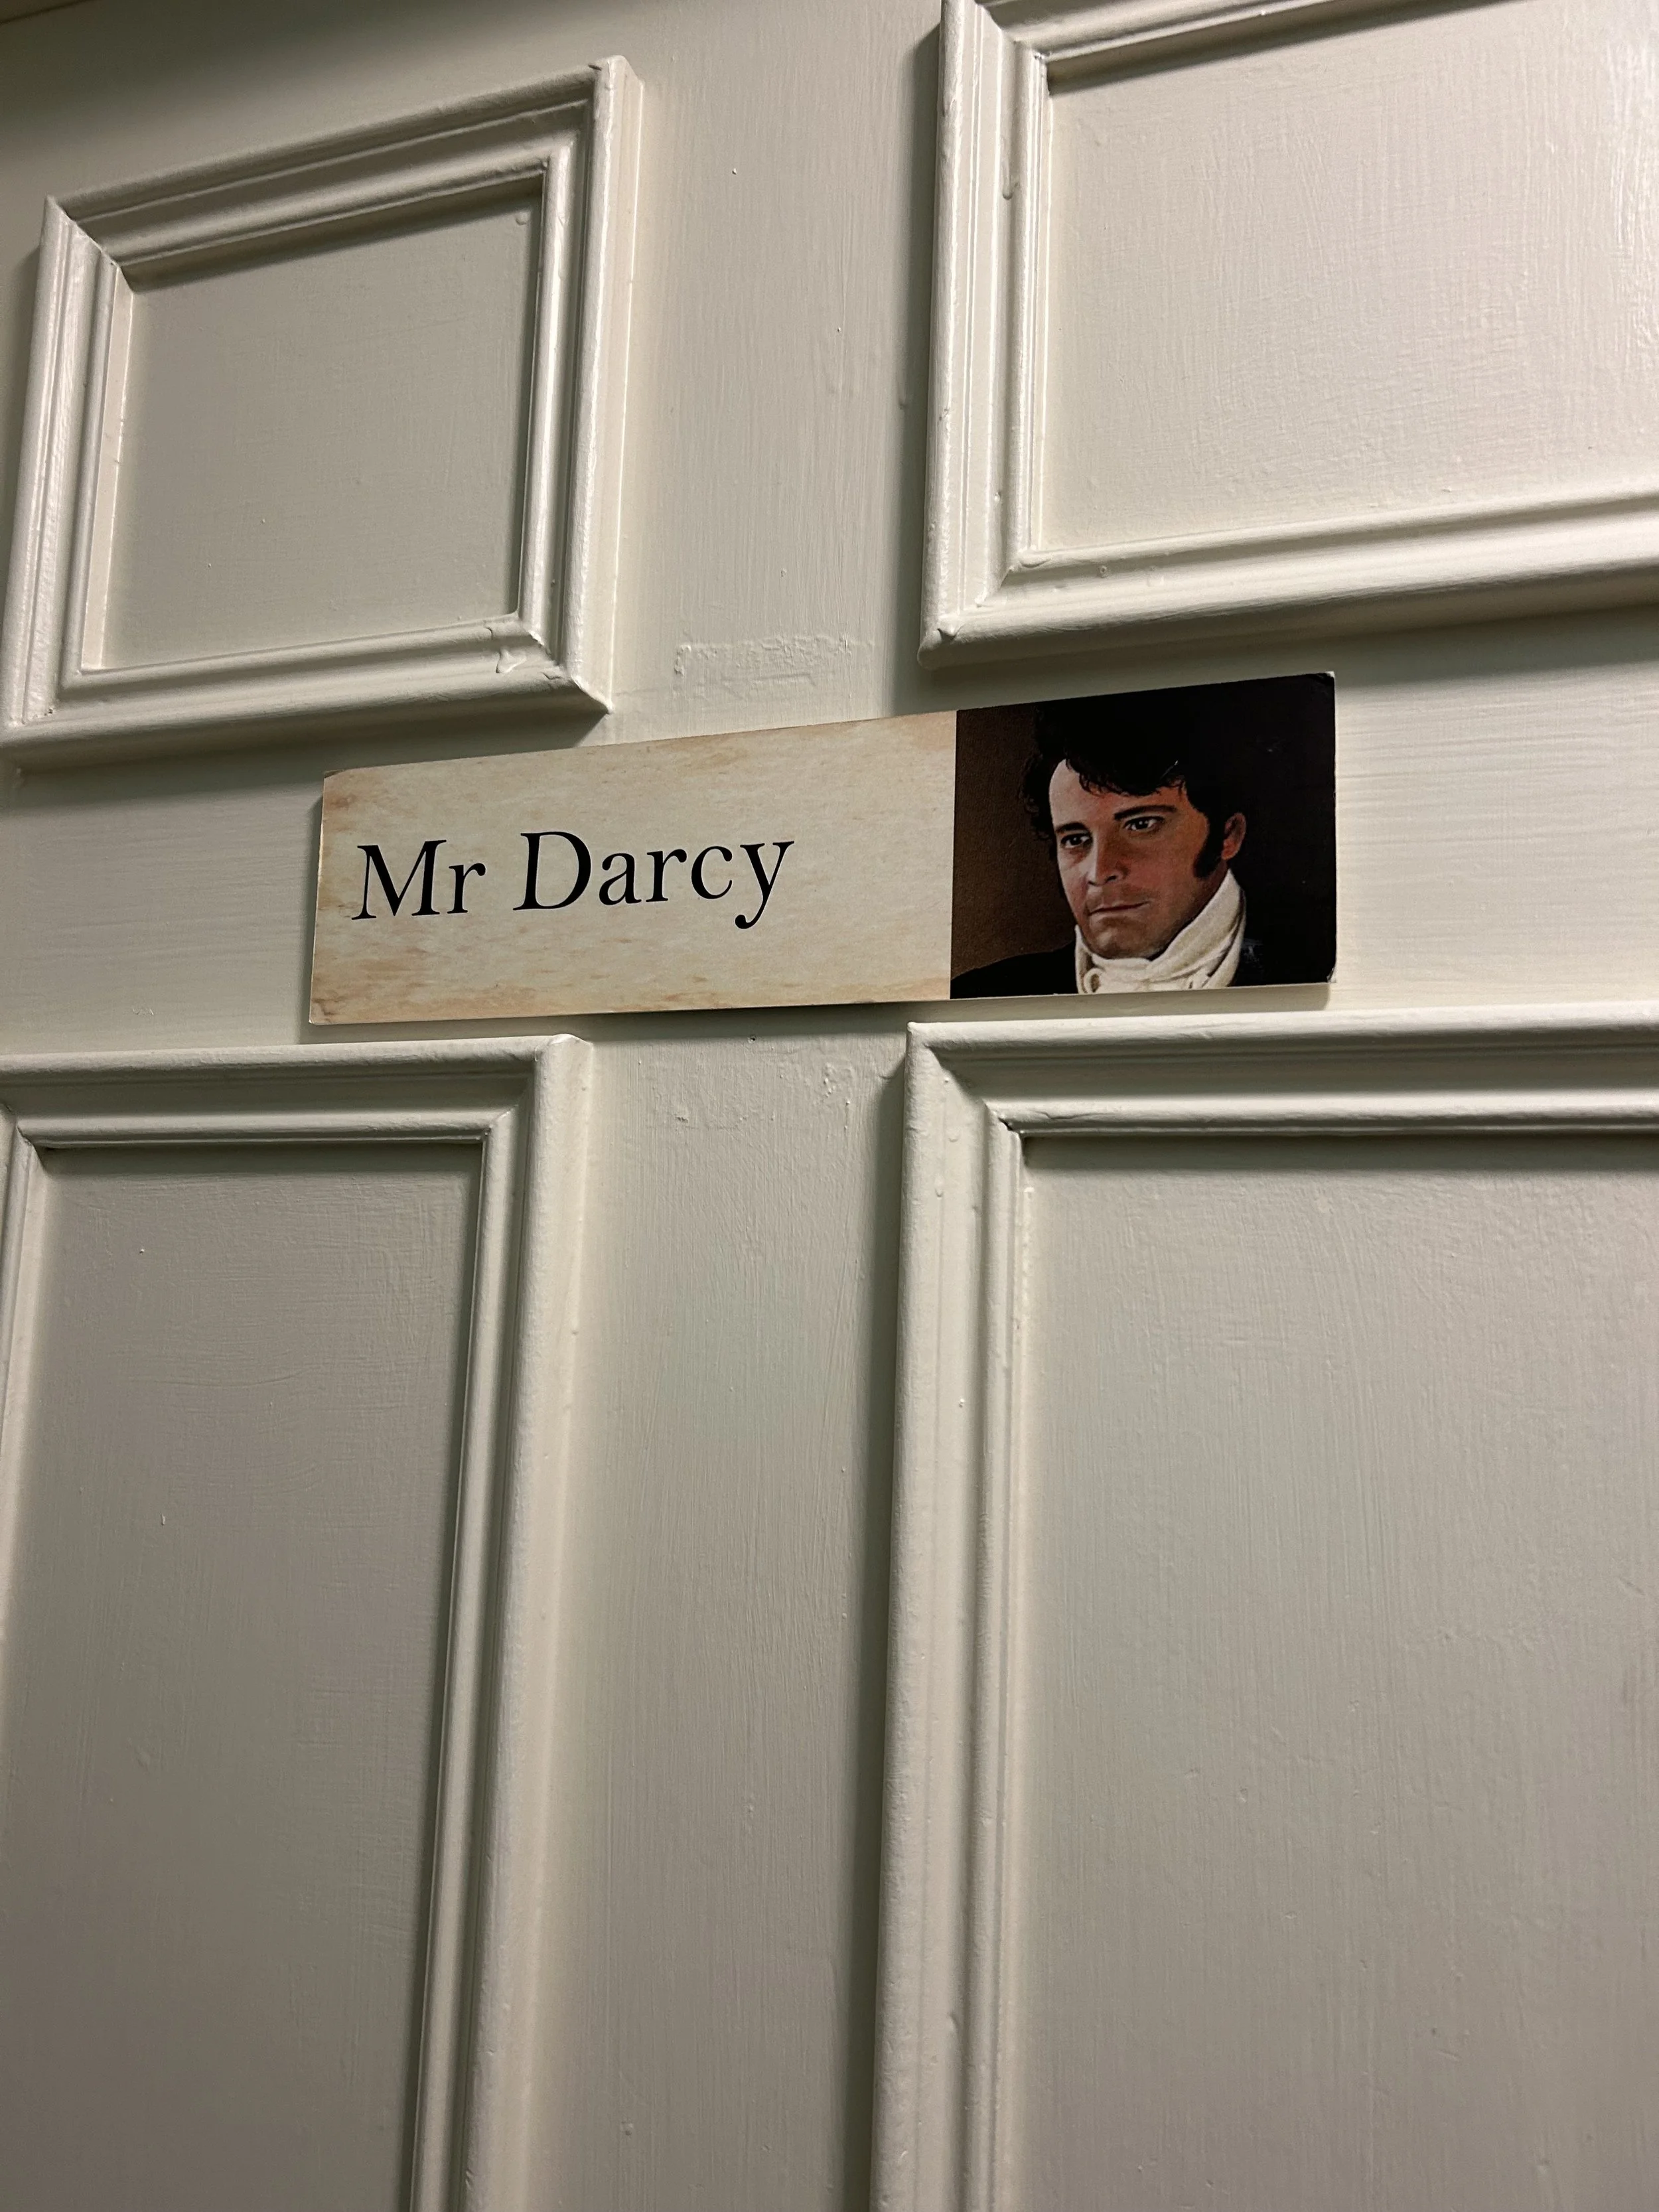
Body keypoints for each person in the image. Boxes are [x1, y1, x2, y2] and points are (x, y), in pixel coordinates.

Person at [952, 692, 1295, 996]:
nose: (1100, 872)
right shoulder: (978, 996)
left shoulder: (1317, 974)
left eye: (1141, 825)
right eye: (1075, 839)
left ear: (1227, 835)